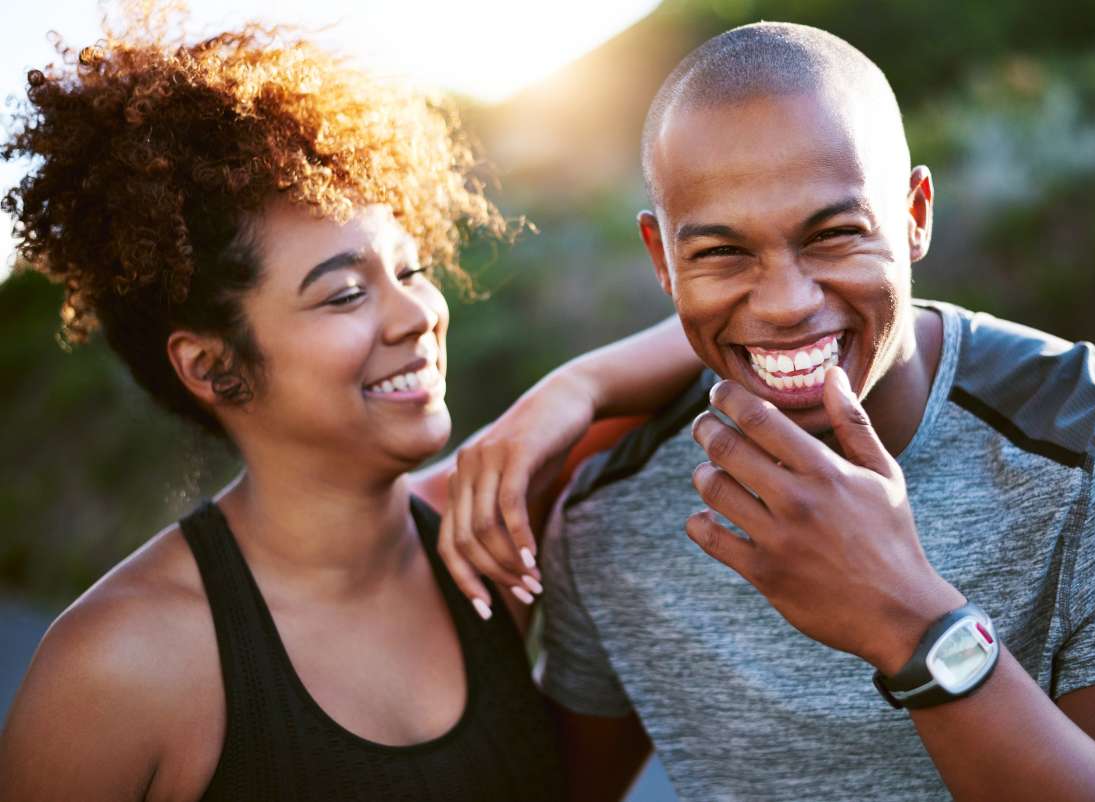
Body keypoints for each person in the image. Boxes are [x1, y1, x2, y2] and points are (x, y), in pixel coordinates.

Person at [442, 22, 1095, 802]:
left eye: (833, 235)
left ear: (914, 215)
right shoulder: (610, 515)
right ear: (663, 261)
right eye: (722, 252)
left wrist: (914, 627)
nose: (784, 302)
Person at [0, 6, 702, 800]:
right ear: (211, 364)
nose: (415, 315)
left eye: (409, 270)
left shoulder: (491, 527)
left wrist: (575, 387)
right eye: (343, 295)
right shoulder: (117, 665)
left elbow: (737, 327)